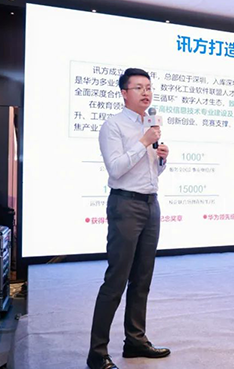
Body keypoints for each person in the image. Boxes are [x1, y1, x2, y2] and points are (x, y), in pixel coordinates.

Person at [87, 68, 170, 369]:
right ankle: (97, 353)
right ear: (124, 93)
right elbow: (116, 168)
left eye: (149, 87)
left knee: (142, 279)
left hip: (150, 204)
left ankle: (135, 340)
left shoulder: (151, 124)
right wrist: (144, 142)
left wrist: (161, 158)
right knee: (116, 280)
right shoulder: (113, 126)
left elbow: (150, 172)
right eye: (139, 88)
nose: (146, 93)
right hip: (125, 205)